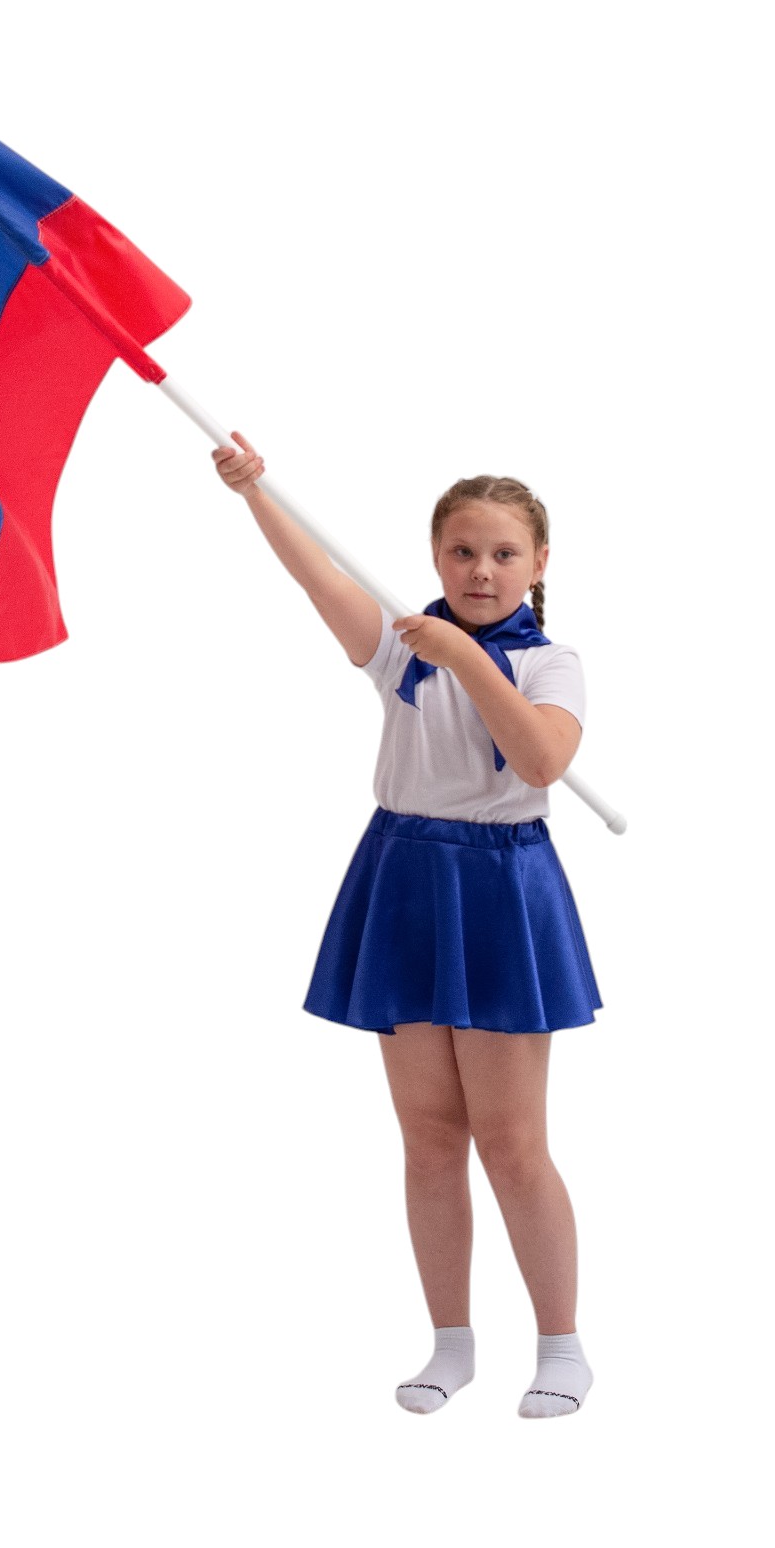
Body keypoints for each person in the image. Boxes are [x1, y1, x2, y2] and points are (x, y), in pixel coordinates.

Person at [211, 432, 602, 1420]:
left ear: (539, 562)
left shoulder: (550, 663)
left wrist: (464, 653)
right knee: (429, 1135)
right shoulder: (402, 649)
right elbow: (319, 576)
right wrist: (256, 492)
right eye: (461, 551)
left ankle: (561, 1346)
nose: (480, 570)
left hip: (501, 886)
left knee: (511, 1140)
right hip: (403, 875)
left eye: (503, 553)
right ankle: (450, 1343)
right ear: (435, 555)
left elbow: (540, 761)